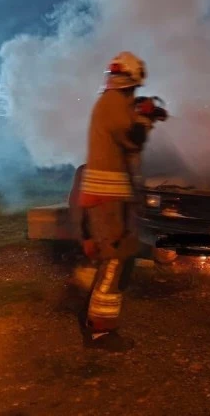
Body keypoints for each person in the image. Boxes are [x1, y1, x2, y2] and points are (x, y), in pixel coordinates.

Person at [76, 51, 155, 352]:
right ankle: (101, 330)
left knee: (113, 257)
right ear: (133, 81)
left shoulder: (112, 103)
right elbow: (131, 141)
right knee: (114, 260)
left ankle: (88, 292)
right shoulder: (113, 106)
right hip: (106, 199)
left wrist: (142, 115)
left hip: (109, 196)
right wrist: (146, 120)